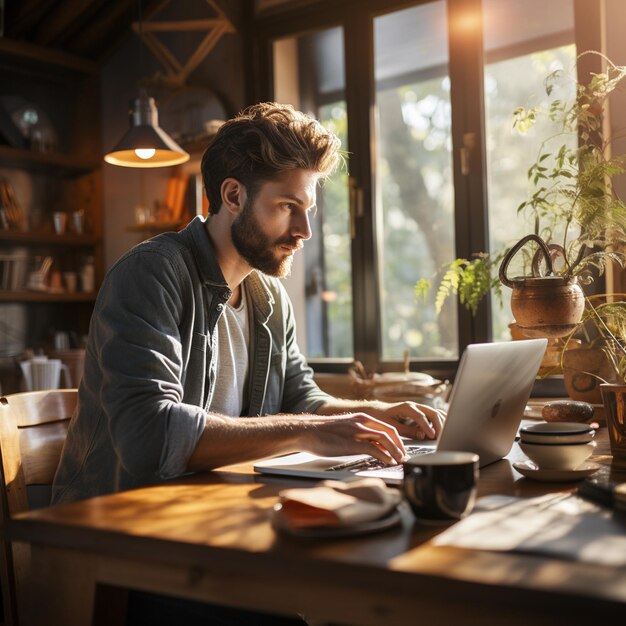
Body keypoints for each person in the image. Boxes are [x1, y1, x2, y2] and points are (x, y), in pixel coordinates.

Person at [52, 102, 445, 506]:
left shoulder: (268, 295)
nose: (304, 231)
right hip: (114, 523)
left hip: (208, 510)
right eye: (288, 207)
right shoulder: (151, 275)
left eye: (306, 210)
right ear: (234, 195)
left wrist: (376, 415)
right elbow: (147, 436)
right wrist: (307, 431)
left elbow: (301, 400)